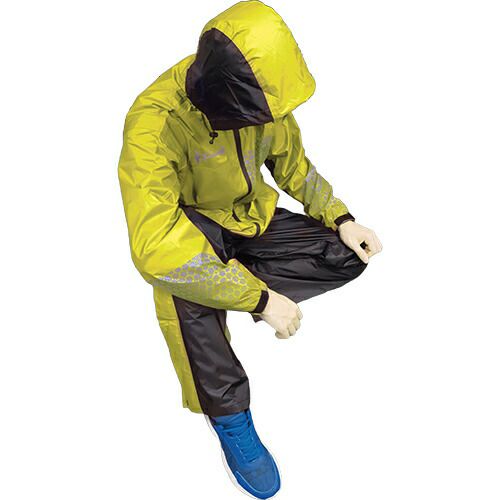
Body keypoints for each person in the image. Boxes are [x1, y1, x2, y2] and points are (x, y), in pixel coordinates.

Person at [118, 1, 382, 498]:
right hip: (189, 230)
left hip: (247, 218)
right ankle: (231, 416)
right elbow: (154, 247)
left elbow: (292, 163)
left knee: (347, 255)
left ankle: (224, 283)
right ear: (226, 97)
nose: (268, 120)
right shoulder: (153, 125)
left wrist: (340, 218)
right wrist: (260, 299)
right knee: (182, 285)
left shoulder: (255, 91)